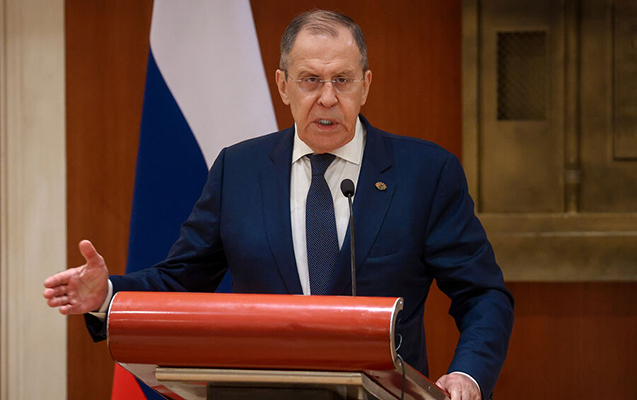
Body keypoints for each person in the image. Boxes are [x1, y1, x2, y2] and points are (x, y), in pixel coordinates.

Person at [44, 10, 513, 400]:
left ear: (365, 85)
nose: (327, 98)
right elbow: (179, 279)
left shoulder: (425, 173)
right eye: (310, 80)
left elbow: (483, 294)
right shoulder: (238, 170)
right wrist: (106, 296)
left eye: (342, 80)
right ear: (283, 85)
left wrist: (467, 374)